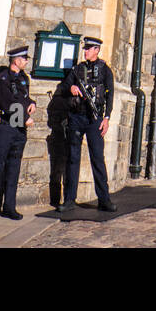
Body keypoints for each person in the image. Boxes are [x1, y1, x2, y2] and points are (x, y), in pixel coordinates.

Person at [58, 36, 116, 215]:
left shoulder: (105, 70)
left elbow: (110, 94)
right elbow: (64, 88)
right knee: (73, 158)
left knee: (97, 158)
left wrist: (106, 118)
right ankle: (69, 200)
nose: (86, 51)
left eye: (89, 48)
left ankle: (104, 199)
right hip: (77, 116)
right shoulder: (77, 70)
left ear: (97, 50)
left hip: (95, 118)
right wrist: (71, 89)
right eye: (85, 48)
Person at [0, 45, 36, 220]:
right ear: (16, 60)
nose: (26, 62)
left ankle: (9, 206)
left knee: (13, 168)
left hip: (19, 130)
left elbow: (22, 98)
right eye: (24, 59)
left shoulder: (24, 78)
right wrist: (24, 118)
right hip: (5, 127)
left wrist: (32, 103)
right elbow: (7, 103)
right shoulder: (2, 79)